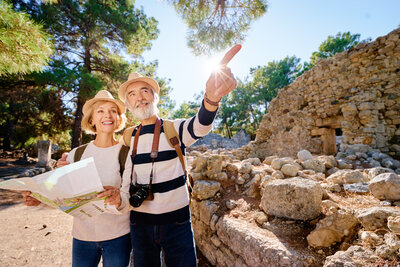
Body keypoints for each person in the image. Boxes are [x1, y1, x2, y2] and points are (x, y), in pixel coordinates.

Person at [117, 44, 242, 267]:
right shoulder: (127, 137)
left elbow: (200, 126)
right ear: (128, 105)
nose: (140, 98)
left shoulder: (172, 128)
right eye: (132, 94)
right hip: (140, 224)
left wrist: (211, 99)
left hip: (177, 221)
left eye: (145, 91)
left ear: (155, 97)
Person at [22, 90, 131, 267]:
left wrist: (118, 196)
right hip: (83, 237)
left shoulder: (126, 154)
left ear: (119, 118)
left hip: (118, 236)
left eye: (113, 111)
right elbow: (61, 192)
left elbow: (129, 195)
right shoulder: (76, 154)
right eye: (100, 111)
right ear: (91, 120)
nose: (108, 115)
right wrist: (38, 199)